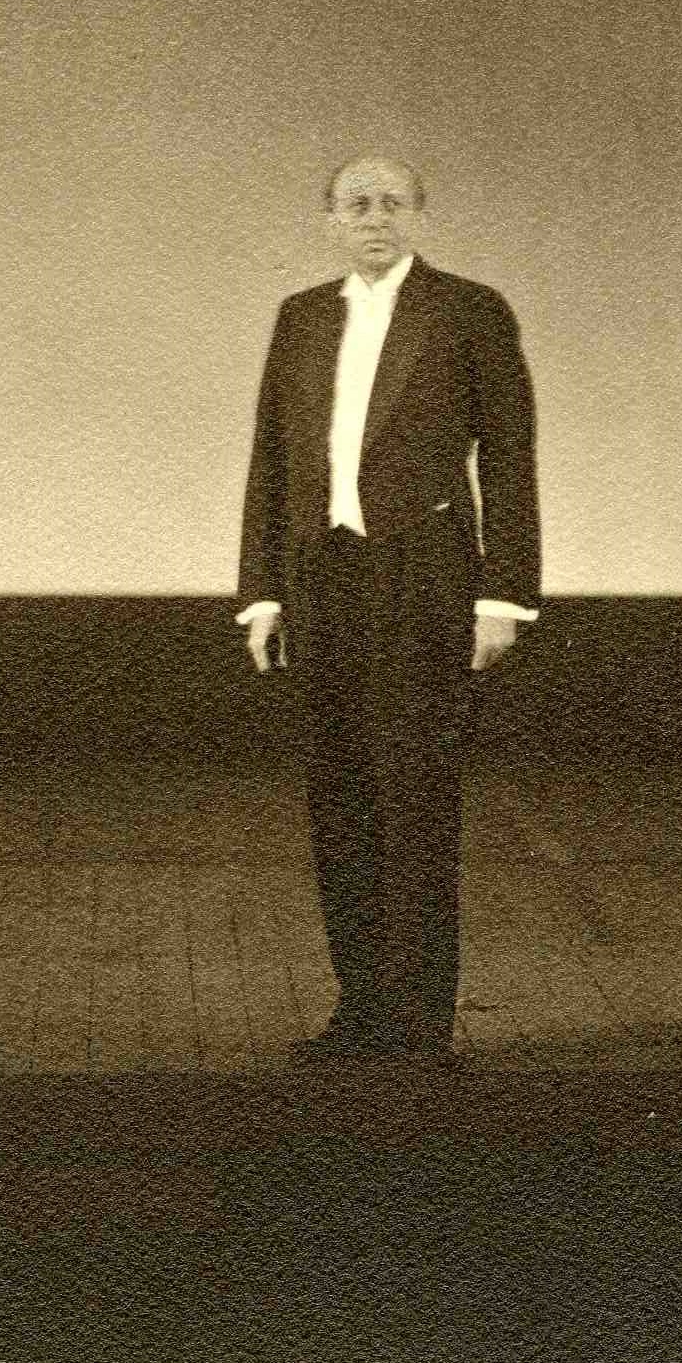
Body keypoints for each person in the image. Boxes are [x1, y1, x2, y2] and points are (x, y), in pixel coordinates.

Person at [236, 153, 539, 1063]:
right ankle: (361, 1009)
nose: (376, 217)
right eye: (357, 202)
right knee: (340, 802)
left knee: (415, 801)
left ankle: (418, 1026)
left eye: (393, 202)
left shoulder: (469, 311)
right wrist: (262, 593)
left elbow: (510, 458)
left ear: (419, 215)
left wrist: (502, 593)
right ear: (331, 217)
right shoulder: (301, 316)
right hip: (321, 579)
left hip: (425, 578)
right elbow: (273, 459)